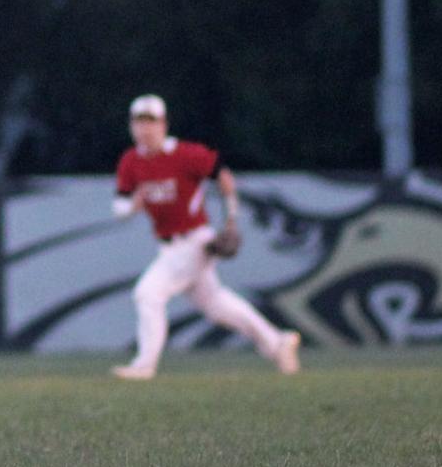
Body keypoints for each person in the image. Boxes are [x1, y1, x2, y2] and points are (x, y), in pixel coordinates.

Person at [110, 94, 300, 380]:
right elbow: (119, 207)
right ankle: (277, 342)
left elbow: (223, 177)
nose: (145, 128)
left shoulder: (185, 154)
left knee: (148, 293)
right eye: (139, 121)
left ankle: (144, 364)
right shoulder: (131, 161)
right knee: (215, 305)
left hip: (194, 241)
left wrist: (232, 220)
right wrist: (131, 206)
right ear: (131, 126)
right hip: (168, 246)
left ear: (164, 124)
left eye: (151, 121)